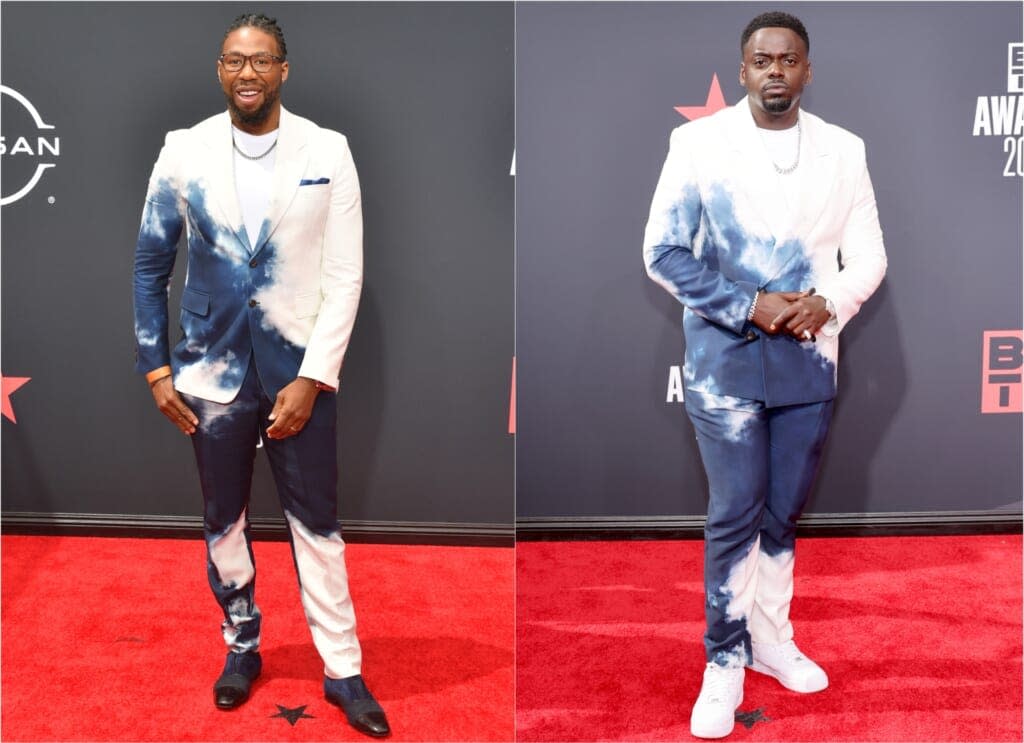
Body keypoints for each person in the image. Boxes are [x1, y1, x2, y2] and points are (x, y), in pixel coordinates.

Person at [132, 13, 389, 738]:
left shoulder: (328, 149)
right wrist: (156, 367)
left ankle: (343, 669)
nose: (247, 73)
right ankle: (241, 648)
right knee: (225, 524)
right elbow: (151, 264)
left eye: (261, 60)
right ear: (220, 70)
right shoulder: (183, 151)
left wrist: (314, 376)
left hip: (299, 374)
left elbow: (345, 276)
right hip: (210, 375)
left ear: (284, 69)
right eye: (233, 61)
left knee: (319, 527)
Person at [643, 11, 887, 739]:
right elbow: (662, 251)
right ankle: (723, 657)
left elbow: (869, 256)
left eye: (788, 59)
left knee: (783, 513)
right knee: (735, 511)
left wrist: (826, 302)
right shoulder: (696, 144)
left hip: (810, 359)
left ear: (808, 71)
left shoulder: (845, 151)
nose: (775, 69)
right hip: (725, 361)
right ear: (743, 70)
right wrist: (749, 305)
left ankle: (770, 639)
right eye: (761, 59)